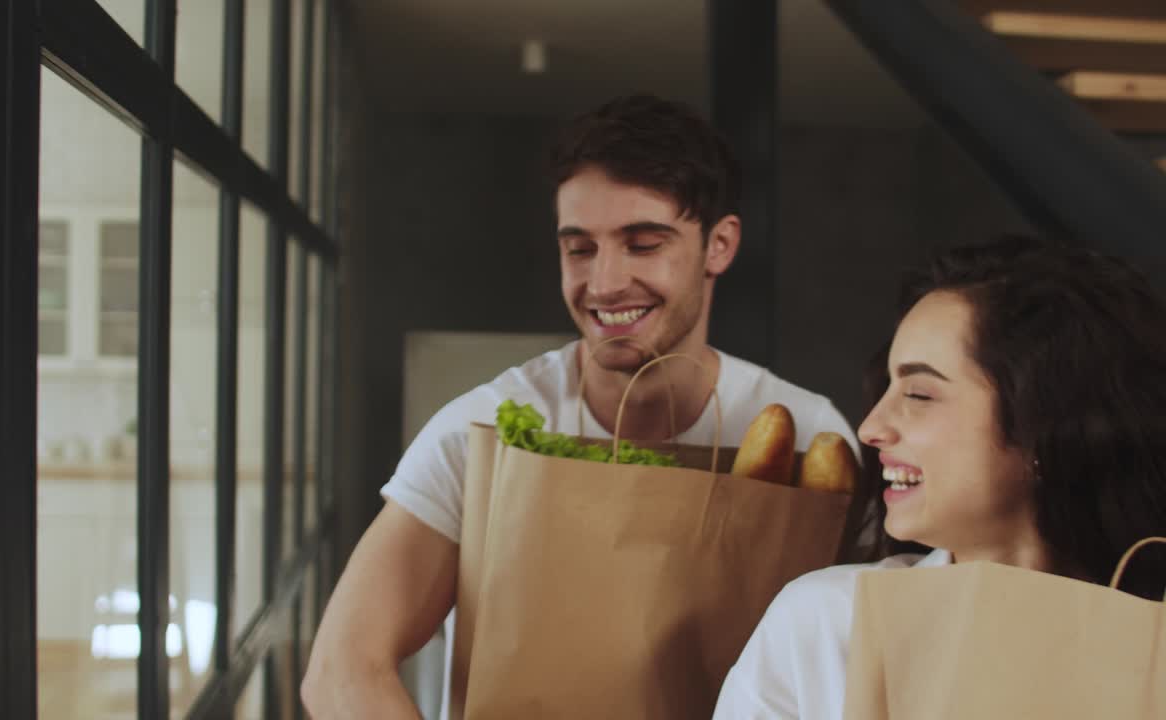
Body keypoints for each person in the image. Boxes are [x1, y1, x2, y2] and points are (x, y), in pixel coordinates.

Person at [301, 94, 857, 719]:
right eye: (579, 248)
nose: (604, 282)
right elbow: (342, 669)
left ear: (720, 246)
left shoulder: (813, 439)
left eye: (643, 243)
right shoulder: (481, 429)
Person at [712, 235, 1166, 719]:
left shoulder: (1149, 642)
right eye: (887, 387)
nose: (871, 428)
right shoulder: (826, 621)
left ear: (1047, 427)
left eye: (920, 395)